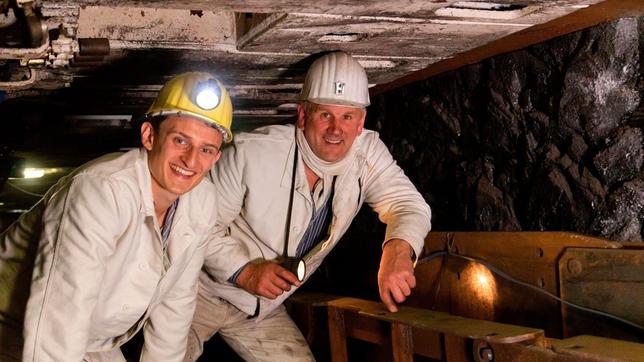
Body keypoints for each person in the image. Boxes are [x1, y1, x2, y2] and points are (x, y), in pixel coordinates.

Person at [186, 51, 432, 361]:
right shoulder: (252, 154)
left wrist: (398, 249)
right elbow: (195, 226)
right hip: (198, 293)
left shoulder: (368, 153)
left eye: (347, 116)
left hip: (262, 310)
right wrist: (245, 271)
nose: (336, 128)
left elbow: (408, 204)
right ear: (303, 115)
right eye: (325, 114)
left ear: (360, 123)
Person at [0, 72, 235, 361]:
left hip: (94, 340)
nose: (190, 160)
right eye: (180, 141)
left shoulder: (202, 201)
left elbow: (175, 306)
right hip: (16, 325)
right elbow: (61, 310)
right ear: (149, 136)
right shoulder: (101, 190)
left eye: (206, 149)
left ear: (216, 158)